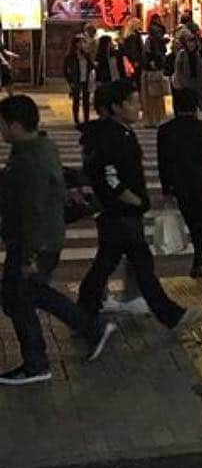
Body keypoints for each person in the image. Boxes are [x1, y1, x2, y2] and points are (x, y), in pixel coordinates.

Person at [0, 96, 116, 385]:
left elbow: (34, 211)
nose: (0, 131)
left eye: (2, 125)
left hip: (36, 243)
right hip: (37, 240)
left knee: (27, 294)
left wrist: (29, 257)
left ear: (14, 125)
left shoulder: (30, 160)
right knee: (20, 296)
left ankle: (50, 355)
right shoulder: (35, 147)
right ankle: (40, 359)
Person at [76, 80, 201, 333]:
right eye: (132, 102)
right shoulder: (110, 136)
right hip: (120, 213)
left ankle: (82, 311)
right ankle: (171, 316)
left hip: (121, 213)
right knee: (140, 266)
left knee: (107, 264)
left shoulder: (119, 132)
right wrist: (132, 198)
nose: (138, 107)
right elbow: (108, 175)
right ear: (115, 107)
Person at [158, 87, 202, 279]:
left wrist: (166, 187)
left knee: (192, 221)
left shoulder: (165, 130)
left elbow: (163, 161)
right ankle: (201, 260)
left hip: (180, 181)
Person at [63, 35, 94, 127]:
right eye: (80, 42)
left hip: (86, 79)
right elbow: (65, 70)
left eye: (83, 43)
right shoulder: (70, 56)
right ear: (76, 44)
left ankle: (86, 119)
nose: (82, 44)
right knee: (76, 100)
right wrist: (70, 81)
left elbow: (91, 65)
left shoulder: (86, 55)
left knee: (86, 100)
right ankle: (76, 119)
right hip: (76, 80)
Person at [141, 29, 168, 128]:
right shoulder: (160, 43)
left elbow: (145, 55)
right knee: (157, 98)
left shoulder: (150, 43)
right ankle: (158, 118)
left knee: (150, 98)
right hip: (157, 72)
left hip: (150, 73)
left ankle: (151, 119)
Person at [171, 31, 202, 107]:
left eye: (193, 42)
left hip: (194, 83)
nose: (191, 44)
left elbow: (200, 70)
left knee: (193, 105)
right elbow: (178, 70)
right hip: (183, 84)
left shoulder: (197, 55)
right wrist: (181, 83)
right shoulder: (182, 54)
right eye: (189, 42)